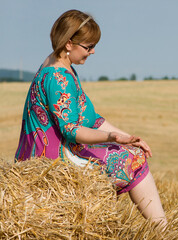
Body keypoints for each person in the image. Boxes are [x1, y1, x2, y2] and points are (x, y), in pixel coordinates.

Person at [14, 9, 167, 227]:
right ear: (69, 43)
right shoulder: (59, 78)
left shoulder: (54, 65)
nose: (93, 52)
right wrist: (114, 137)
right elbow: (72, 131)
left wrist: (128, 138)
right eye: (88, 46)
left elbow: (91, 118)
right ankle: (162, 229)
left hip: (42, 154)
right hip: (52, 161)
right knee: (133, 160)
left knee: (130, 151)